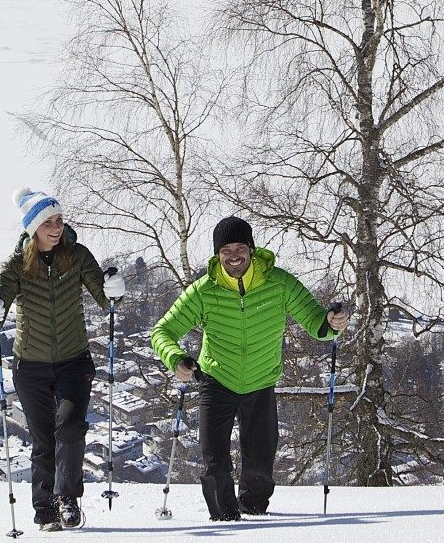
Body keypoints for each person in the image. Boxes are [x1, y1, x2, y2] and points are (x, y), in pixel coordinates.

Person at [148, 216, 348, 521]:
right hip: (217, 380)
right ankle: (224, 518)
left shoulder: (279, 284)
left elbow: (316, 322)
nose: (234, 255)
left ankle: (254, 512)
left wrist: (332, 323)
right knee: (215, 462)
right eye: (226, 249)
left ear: (252, 249)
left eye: (241, 247)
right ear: (217, 254)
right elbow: (162, 332)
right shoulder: (204, 291)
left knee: (260, 461)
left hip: (260, 380)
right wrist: (176, 359)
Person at [0, 189, 120, 532]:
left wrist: (113, 289)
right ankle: (44, 511)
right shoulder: (15, 265)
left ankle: (67, 499)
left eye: (59, 220)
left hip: (74, 359)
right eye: (48, 222)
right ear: (33, 227)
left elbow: (106, 300)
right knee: (44, 439)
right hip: (30, 364)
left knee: (70, 428)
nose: (56, 227)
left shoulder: (77, 256)